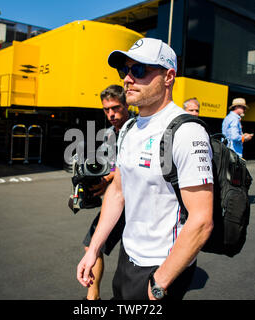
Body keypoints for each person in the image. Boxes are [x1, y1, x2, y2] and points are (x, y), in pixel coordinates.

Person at [77, 38, 214, 300]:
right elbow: (117, 193)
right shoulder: (129, 128)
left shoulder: (186, 131)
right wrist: (93, 249)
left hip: (162, 264)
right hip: (128, 256)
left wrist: (160, 282)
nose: (128, 79)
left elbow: (201, 220)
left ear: (168, 77)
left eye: (139, 70)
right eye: (124, 71)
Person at [82, 84, 130, 300]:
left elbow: (129, 167)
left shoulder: (138, 129)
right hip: (117, 202)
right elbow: (108, 164)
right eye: (106, 109)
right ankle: (93, 300)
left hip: (138, 203)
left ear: (126, 104)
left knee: (134, 261)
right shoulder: (110, 134)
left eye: (116, 108)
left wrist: (109, 178)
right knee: (91, 245)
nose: (111, 114)